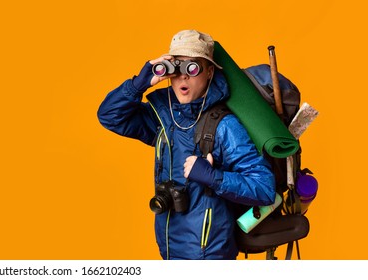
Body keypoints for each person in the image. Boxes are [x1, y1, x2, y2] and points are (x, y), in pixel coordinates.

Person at [97, 30, 276, 260]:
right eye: (177, 68)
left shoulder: (224, 126)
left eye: (193, 68)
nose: (183, 77)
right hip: (170, 251)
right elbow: (109, 116)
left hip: (211, 255)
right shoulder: (164, 118)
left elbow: (264, 187)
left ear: (209, 72)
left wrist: (213, 177)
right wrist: (138, 85)